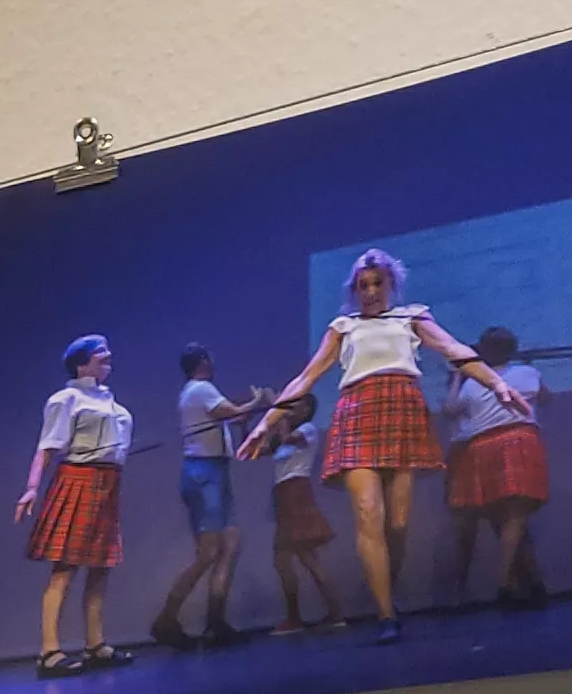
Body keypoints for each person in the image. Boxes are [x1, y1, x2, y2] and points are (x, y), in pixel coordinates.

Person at [248, 249, 528, 645]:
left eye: (378, 283)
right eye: (363, 286)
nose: (371, 291)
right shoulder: (343, 326)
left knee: (397, 526)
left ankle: (386, 584)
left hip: (401, 412)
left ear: (391, 284)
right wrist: (267, 422)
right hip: (357, 414)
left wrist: (498, 384)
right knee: (367, 512)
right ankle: (385, 614)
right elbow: (306, 377)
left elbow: (455, 350)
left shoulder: (411, 317)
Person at [14, 334, 134, 673]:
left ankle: (95, 644)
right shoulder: (66, 398)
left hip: (107, 484)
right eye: (100, 353)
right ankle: (49, 651)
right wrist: (31, 487)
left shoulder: (113, 404)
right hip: (78, 480)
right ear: (82, 364)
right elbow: (48, 447)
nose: (108, 356)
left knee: (100, 567)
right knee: (64, 569)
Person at [151, 346, 269, 649]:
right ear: (202, 362)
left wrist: (245, 416)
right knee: (207, 553)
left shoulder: (201, 391)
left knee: (230, 545)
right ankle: (166, 620)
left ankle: (215, 621)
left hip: (217, 470)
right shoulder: (199, 389)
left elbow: (232, 420)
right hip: (203, 474)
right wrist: (258, 401)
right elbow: (230, 411)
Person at [439, 325, 551, 609]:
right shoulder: (528, 374)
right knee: (514, 516)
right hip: (519, 440)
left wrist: (458, 376)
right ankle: (505, 581)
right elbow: (548, 398)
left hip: (483, 447)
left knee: (506, 517)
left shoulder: (474, 384)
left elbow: (450, 409)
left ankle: (521, 582)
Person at [250, 408, 346, 633]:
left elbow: (289, 439)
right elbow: (254, 451)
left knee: (296, 557)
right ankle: (324, 614)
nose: (291, 411)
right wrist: (250, 426)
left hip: (296, 492)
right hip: (284, 493)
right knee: (296, 559)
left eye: (296, 406)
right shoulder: (285, 435)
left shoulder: (308, 429)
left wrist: (279, 417)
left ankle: (309, 616)